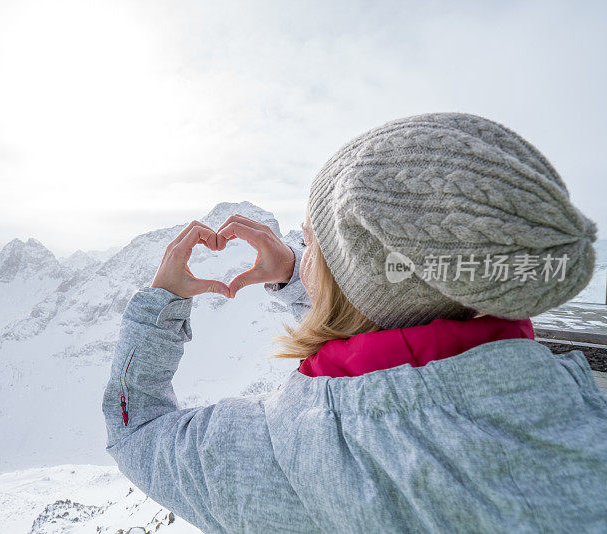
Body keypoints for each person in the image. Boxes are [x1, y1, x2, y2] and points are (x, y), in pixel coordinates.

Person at [101, 112, 607, 533]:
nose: (303, 255)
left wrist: (162, 301)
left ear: (351, 277)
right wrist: (303, 279)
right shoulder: (576, 406)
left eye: (311, 242)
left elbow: (136, 428)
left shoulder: (283, 450)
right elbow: (390, 319)